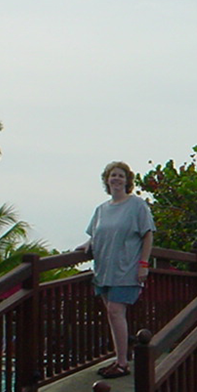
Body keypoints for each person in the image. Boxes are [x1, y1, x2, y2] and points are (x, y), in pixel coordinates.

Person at [77, 161, 155, 378]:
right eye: (113, 175)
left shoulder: (137, 205)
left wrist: (144, 264)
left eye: (121, 176)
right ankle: (120, 357)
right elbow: (95, 233)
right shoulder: (101, 209)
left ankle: (122, 363)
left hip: (127, 269)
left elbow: (148, 234)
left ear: (127, 180)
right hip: (104, 270)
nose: (117, 179)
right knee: (113, 315)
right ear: (107, 180)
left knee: (115, 310)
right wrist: (88, 244)